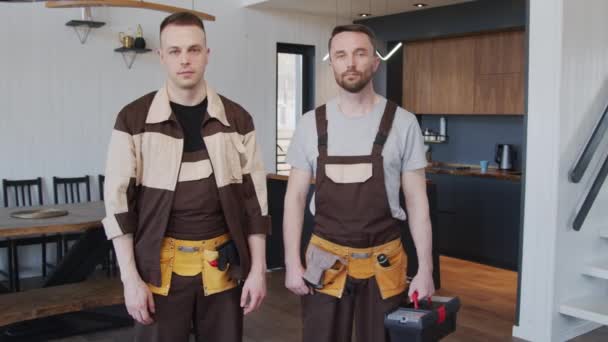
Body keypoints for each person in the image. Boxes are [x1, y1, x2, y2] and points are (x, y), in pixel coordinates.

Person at [102, 12, 270, 342]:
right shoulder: (133, 119)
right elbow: (118, 206)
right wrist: (130, 280)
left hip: (222, 269)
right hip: (158, 271)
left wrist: (258, 271)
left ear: (208, 54)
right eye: (175, 51)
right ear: (161, 56)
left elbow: (256, 204)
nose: (185, 60)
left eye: (194, 50)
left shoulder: (237, 119)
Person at [283, 24, 435, 342]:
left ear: (375, 62)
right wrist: (291, 262)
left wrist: (425, 269)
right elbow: (295, 198)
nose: (350, 62)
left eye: (360, 53)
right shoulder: (310, 124)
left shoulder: (404, 123)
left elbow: (418, 202)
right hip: (323, 259)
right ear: (332, 63)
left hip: (385, 262)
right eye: (341, 54)